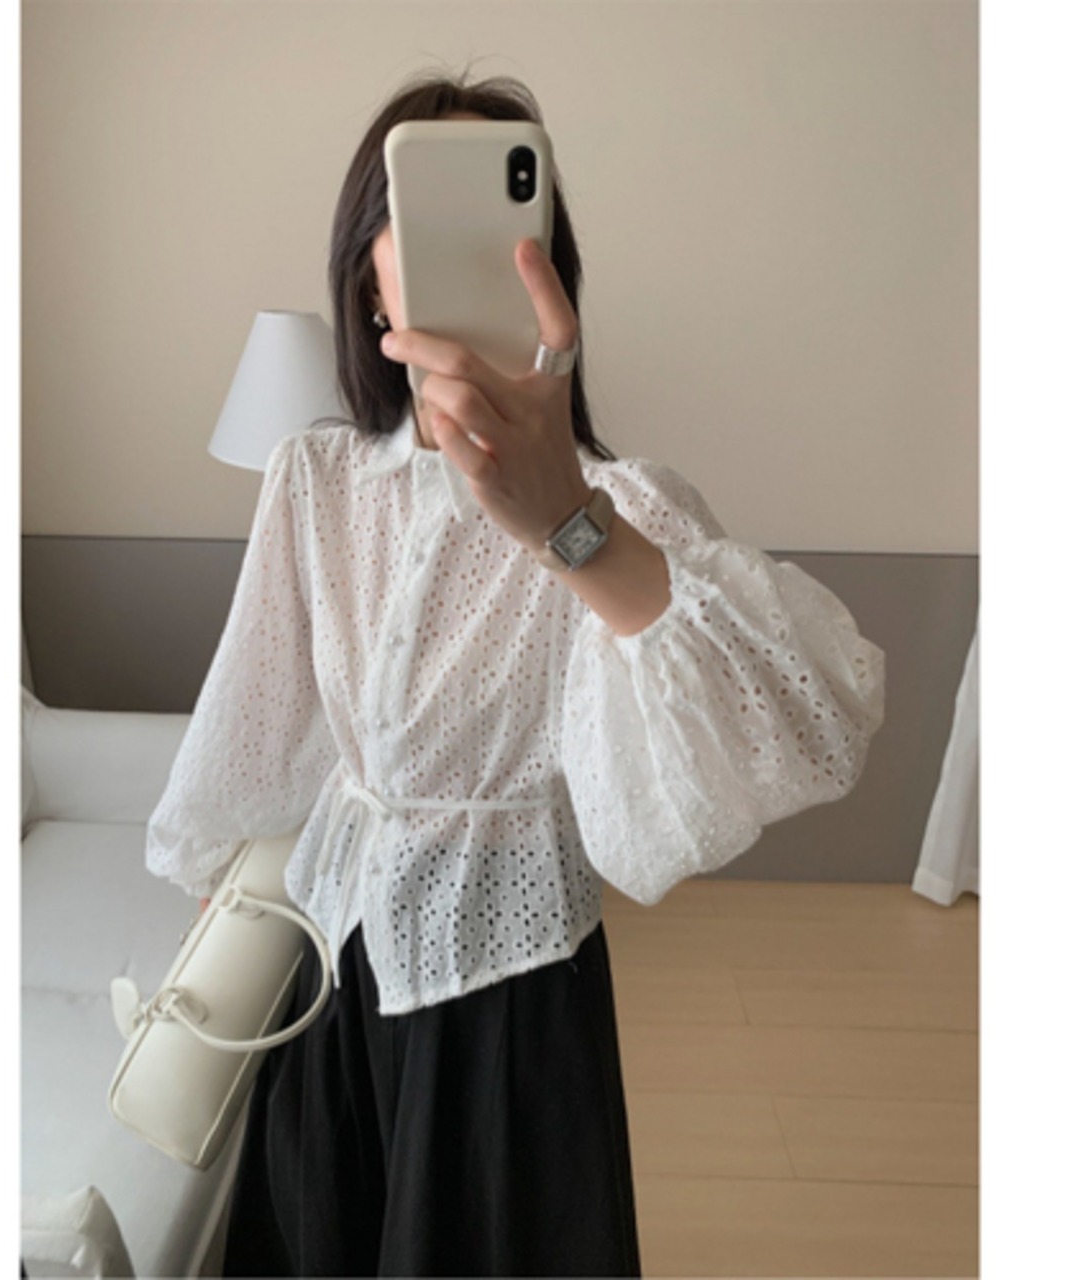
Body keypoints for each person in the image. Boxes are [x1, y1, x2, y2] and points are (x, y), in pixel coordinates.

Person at [145, 71, 886, 1279]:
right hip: (331, 968)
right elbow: (258, 713)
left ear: (548, 265)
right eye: (415, 211)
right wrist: (208, 884)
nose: (463, 250)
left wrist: (567, 526)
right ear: (365, 276)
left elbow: (813, 718)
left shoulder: (623, 505)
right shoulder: (313, 481)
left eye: (497, 213)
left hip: (507, 997)